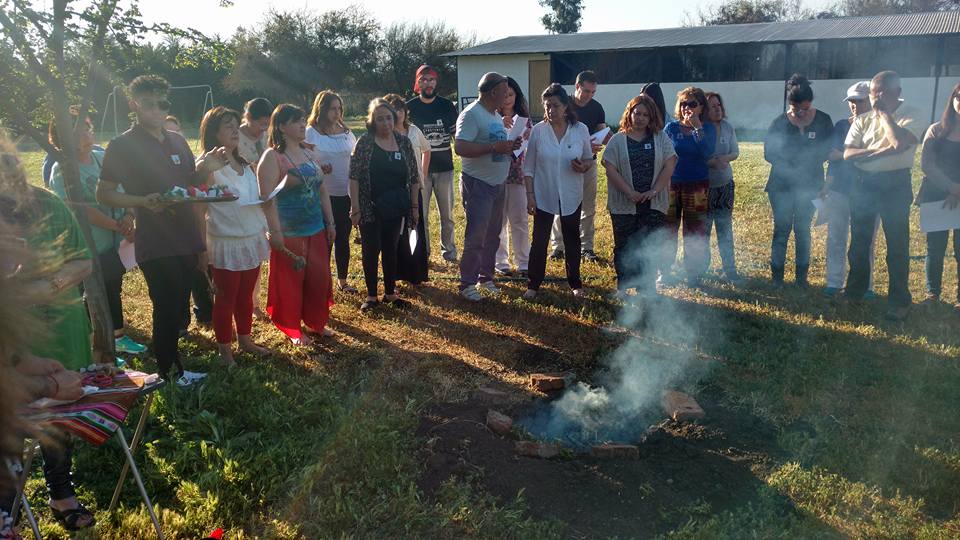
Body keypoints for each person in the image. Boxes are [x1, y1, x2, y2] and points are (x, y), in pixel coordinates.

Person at [97, 75, 225, 387]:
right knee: (166, 306)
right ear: (134, 105)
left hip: (186, 235)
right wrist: (141, 201)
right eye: (149, 104)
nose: (157, 110)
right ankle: (169, 373)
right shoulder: (122, 145)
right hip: (155, 240)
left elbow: (190, 184)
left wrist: (206, 168)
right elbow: (104, 193)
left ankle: (175, 367)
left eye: (162, 104)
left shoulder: (177, 140)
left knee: (179, 305)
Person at [0, 139, 97, 531]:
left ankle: (59, 493)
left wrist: (48, 287)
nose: (21, 250)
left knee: (57, 416)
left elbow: (83, 261)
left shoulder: (48, 205)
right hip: (18, 343)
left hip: (55, 332)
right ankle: (8, 510)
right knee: (10, 425)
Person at [47, 112, 146, 355]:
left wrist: (129, 216)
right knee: (94, 291)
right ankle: (100, 340)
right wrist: (116, 226)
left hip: (116, 238)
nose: (87, 135)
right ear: (63, 139)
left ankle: (116, 336)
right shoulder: (62, 170)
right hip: (89, 242)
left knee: (113, 284)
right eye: (79, 132)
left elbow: (126, 189)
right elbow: (80, 209)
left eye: (88, 128)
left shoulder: (102, 158)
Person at [844, 71, 925, 321]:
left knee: (897, 245)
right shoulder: (862, 120)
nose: (876, 99)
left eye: (882, 94)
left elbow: (899, 142)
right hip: (864, 183)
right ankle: (854, 293)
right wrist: (881, 151)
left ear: (897, 93)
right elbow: (848, 153)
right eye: (873, 94)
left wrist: (884, 115)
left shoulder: (913, 113)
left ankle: (899, 301)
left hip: (895, 184)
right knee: (859, 242)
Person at [257, 104, 336, 344]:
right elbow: (266, 200)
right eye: (296, 121)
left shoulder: (309, 152)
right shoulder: (272, 157)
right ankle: (292, 329)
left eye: (303, 119)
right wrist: (275, 232)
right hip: (289, 232)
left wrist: (330, 222)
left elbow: (322, 190)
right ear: (281, 126)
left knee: (318, 279)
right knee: (290, 283)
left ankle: (315, 322)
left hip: (316, 227)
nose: (303, 125)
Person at [198, 106, 271, 366]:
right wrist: (201, 248)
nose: (235, 130)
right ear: (214, 132)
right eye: (228, 126)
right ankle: (224, 351)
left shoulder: (243, 162)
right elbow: (199, 207)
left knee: (245, 294)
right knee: (226, 297)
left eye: (235, 124)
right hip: (225, 240)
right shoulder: (208, 166)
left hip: (251, 237)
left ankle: (245, 339)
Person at [348, 99, 421, 311]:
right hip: (369, 206)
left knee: (391, 249)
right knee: (371, 251)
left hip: (395, 206)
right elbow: (353, 177)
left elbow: (414, 177)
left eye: (389, 118)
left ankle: (390, 293)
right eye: (380, 119)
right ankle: (372, 296)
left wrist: (414, 207)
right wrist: (355, 208)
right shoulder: (365, 143)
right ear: (372, 121)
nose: (386, 123)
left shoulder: (403, 142)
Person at [454, 72, 522, 302]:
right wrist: (494, 147)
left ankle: (485, 277)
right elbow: (460, 147)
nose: (507, 96)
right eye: (504, 91)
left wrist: (510, 145)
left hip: (497, 184)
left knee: (493, 235)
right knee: (476, 236)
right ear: (493, 92)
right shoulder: (471, 114)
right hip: (478, 184)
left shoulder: (494, 115)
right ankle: (467, 284)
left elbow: (495, 146)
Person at [523, 83, 594, 300]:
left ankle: (575, 283)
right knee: (539, 240)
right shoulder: (538, 131)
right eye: (547, 106)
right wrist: (530, 195)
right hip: (543, 194)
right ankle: (533, 284)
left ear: (565, 106)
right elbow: (528, 167)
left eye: (555, 105)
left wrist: (583, 166)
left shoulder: (580, 129)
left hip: (571, 194)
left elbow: (589, 159)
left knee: (572, 239)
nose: (550, 110)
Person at [603, 94, 677, 298]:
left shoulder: (660, 138)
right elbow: (610, 168)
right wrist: (630, 193)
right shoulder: (618, 140)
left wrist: (654, 191)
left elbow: (670, 164)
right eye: (637, 113)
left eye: (646, 115)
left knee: (649, 246)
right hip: (624, 203)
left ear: (652, 117)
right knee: (624, 246)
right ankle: (624, 287)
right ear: (630, 113)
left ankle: (647, 288)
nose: (641, 118)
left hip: (653, 202)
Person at [763, 75, 833, 288]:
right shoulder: (779, 123)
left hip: (811, 185)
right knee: (782, 230)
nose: (801, 113)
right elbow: (769, 153)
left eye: (805, 108)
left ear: (810, 103)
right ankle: (777, 278)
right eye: (796, 109)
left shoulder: (823, 120)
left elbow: (829, 150)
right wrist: (791, 166)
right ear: (790, 104)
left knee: (803, 230)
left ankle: (801, 278)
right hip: (781, 186)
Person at [823, 81, 879, 297]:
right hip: (839, 189)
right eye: (851, 101)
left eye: (860, 101)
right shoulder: (841, 126)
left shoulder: (879, 125)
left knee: (866, 241)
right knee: (836, 237)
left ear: (871, 101)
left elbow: (880, 154)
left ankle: (867, 285)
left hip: (869, 192)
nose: (855, 105)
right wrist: (827, 185)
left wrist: (846, 154)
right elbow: (832, 155)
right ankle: (834, 282)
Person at [550, 70, 607, 262]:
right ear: (577, 86)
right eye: (586, 91)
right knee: (560, 204)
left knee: (588, 205)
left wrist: (600, 141)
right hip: (565, 162)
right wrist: (583, 143)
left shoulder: (597, 107)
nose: (589, 96)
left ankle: (586, 247)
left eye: (593, 92)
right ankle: (558, 247)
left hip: (588, 162)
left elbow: (602, 131)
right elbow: (556, 130)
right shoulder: (563, 104)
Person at [306, 91, 358, 293]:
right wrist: (318, 167)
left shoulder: (346, 132)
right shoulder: (311, 133)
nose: (337, 113)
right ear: (321, 109)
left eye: (339, 108)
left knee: (343, 238)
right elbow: (303, 159)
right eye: (332, 109)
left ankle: (342, 281)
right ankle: (320, 282)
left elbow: (354, 156)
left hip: (346, 193)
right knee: (325, 239)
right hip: (323, 195)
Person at [663, 87, 716, 285]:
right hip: (672, 184)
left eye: (692, 104)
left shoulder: (708, 128)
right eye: (684, 103)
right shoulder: (671, 128)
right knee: (668, 228)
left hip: (697, 185)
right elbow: (663, 153)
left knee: (694, 230)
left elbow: (707, 153)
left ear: (701, 107)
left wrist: (697, 128)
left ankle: (693, 273)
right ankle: (664, 271)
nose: (687, 107)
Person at [407, 64, 459, 262]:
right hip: (420, 171)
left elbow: (456, 135)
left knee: (447, 215)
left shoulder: (446, 106)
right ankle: (424, 252)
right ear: (417, 83)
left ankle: (449, 252)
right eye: (424, 80)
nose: (428, 83)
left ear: (436, 82)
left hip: (444, 168)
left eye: (431, 79)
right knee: (421, 215)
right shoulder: (410, 107)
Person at [918, 81, 960, 309]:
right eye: (959, 96)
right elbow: (927, 164)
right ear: (952, 99)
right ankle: (933, 294)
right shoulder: (936, 130)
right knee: (935, 248)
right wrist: (951, 187)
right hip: (936, 194)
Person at [384, 93, 430, 285]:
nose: (398, 113)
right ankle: (397, 274)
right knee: (397, 233)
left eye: (401, 108)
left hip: (414, 188)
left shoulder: (414, 130)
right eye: (394, 109)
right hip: (394, 190)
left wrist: (422, 175)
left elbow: (427, 150)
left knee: (415, 229)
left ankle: (416, 274)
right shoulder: (385, 135)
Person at [237, 97, 274, 320]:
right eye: (260, 123)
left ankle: (254, 303)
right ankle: (244, 302)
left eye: (267, 123)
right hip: (243, 202)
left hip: (265, 199)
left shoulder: (267, 136)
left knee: (259, 252)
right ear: (248, 117)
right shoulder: (236, 137)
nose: (263, 128)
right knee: (245, 253)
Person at [495, 77, 534, 278]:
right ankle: (500, 261)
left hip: (518, 174)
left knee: (519, 219)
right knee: (498, 220)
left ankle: (523, 262)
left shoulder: (525, 120)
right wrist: (500, 125)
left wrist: (525, 137)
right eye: (504, 95)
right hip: (496, 174)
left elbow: (530, 145)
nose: (508, 99)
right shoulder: (491, 117)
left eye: (511, 94)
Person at [704, 92, 740, 281]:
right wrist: (712, 162)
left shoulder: (728, 127)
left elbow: (735, 152)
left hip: (725, 185)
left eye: (719, 105)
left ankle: (730, 269)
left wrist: (724, 158)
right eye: (712, 106)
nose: (717, 109)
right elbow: (696, 156)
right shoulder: (701, 129)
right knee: (704, 230)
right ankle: (701, 268)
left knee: (725, 229)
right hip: (705, 188)